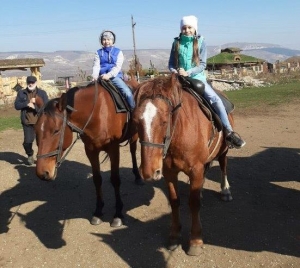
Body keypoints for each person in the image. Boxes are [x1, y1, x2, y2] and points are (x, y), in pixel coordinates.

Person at [168, 15, 246, 149]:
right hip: (179, 79)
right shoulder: (176, 43)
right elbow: (170, 64)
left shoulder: (201, 42)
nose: (187, 30)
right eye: (184, 28)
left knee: (215, 99)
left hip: (197, 78)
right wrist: (175, 71)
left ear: (194, 28)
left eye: (189, 27)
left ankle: (229, 132)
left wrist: (189, 72)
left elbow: (202, 64)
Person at [92, 30, 135, 111]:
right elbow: (96, 65)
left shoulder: (118, 52)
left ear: (113, 41)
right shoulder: (98, 52)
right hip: (101, 76)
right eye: (104, 39)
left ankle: (133, 110)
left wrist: (109, 75)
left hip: (114, 76)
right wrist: (94, 76)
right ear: (101, 41)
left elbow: (117, 67)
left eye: (108, 39)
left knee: (127, 92)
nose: (106, 41)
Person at [14, 75, 49, 165]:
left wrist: (35, 107)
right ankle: (30, 154)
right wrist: (27, 104)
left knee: (41, 142)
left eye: (32, 82)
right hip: (27, 122)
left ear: (36, 83)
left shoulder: (42, 93)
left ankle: (40, 157)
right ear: (27, 83)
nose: (30, 84)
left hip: (40, 123)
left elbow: (47, 107)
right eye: (29, 82)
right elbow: (17, 106)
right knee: (27, 142)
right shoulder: (21, 93)